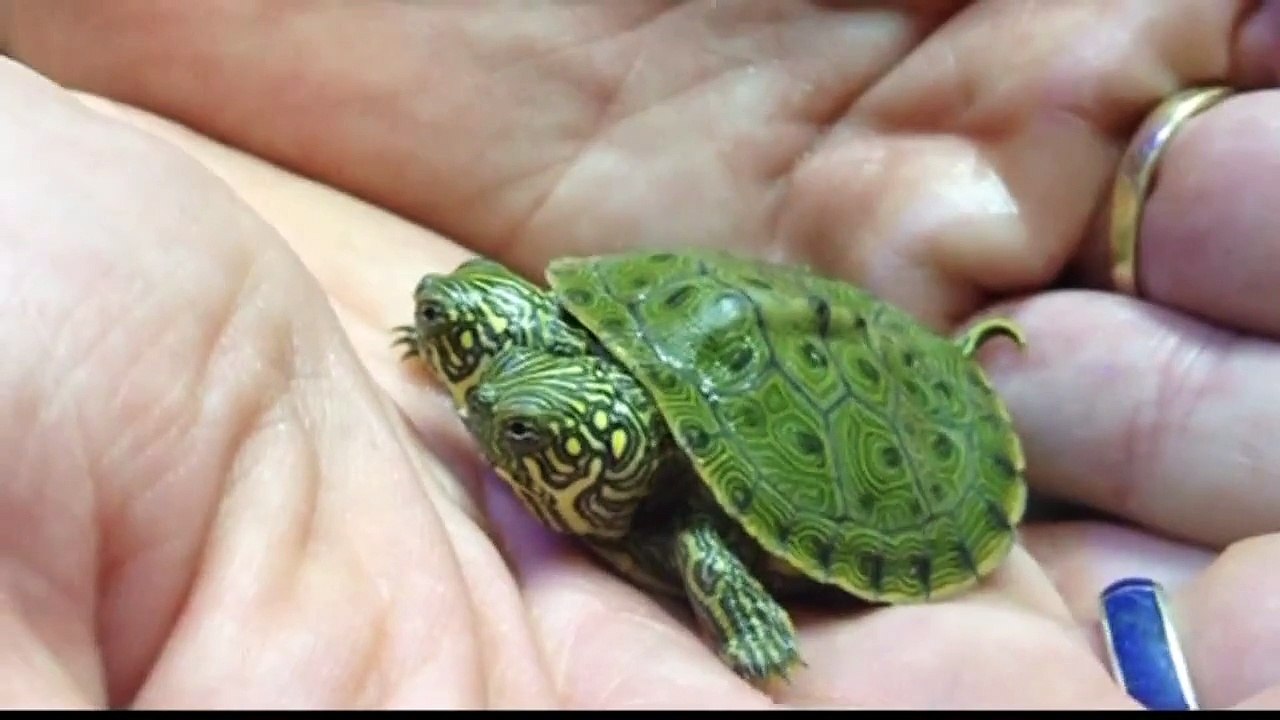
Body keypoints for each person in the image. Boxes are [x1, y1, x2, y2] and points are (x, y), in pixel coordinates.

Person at [0, 2, 1276, 710]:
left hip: (848, 419)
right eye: (503, 415)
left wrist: (764, 652)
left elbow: (719, 567)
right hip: (671, 320)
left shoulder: (682, 529)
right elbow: (463, 301)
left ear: (604, 478)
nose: (485, 406)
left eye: (521, 432)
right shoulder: (538, 359)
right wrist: (458, 334)